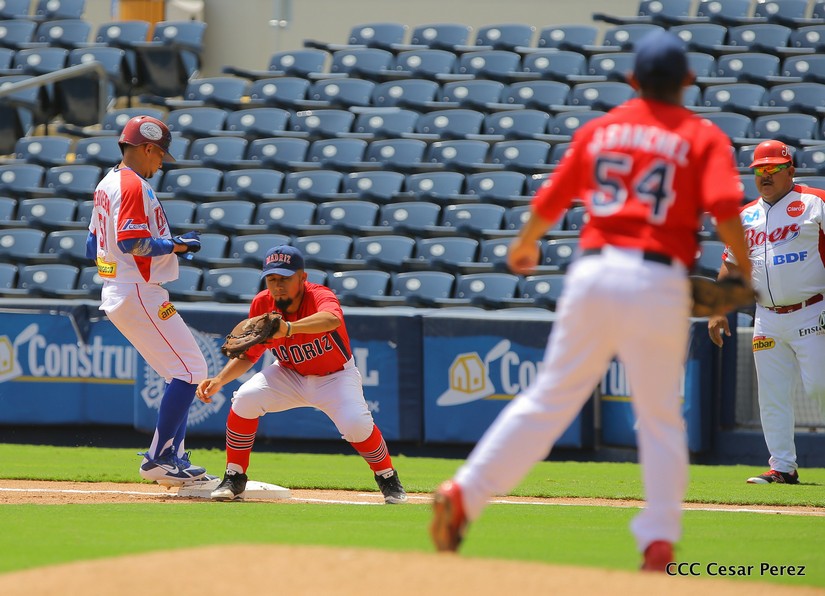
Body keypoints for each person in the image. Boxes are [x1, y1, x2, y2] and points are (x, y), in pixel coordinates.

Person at [429, 30, 753, 571]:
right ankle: (658, 542)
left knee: (548, 399)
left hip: (593, 271)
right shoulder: (702, 136)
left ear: (632, 80)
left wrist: (525, 242)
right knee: (659, 419)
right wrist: (740, 268)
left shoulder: (602, 129)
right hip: (658, 279)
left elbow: (553, 197)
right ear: (688, 82)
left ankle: (464, 494)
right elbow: (724, 208)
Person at [195, 245, 408, 504]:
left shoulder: (319, 295)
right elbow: (251, 353)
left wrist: (289, 328)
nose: (278, 285)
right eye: (272, 279)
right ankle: (234, 477)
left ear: (302, 277)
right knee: (245, 399)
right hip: (289, 373)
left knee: (356, 424)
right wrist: (219, 380)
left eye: (285, 278)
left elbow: (331, 319)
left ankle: (386, 476)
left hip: (335, 376)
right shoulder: (262, 303)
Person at [86, 115, 210, 486]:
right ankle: (159, 458)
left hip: (124, 290)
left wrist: (115, 275)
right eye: (160, 156)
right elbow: (131, 243)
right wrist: (180, 244)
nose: (161, 163)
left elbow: (94, 245)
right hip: (139, 290)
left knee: (181, 372)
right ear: (147, 148)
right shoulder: (132, 185)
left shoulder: (106, 184)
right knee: (192, 370)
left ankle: (174, 457)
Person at [709, 139, 825, 485]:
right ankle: (783, 467)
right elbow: (730, 265)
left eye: (774, 168)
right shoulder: (746, 216)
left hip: (813, 311)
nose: (766, 175)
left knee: (820, 388)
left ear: (791, 170)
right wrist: (717, 311)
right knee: (772, 394)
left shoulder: (815, 203)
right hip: (768, 317)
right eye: (760, 170)